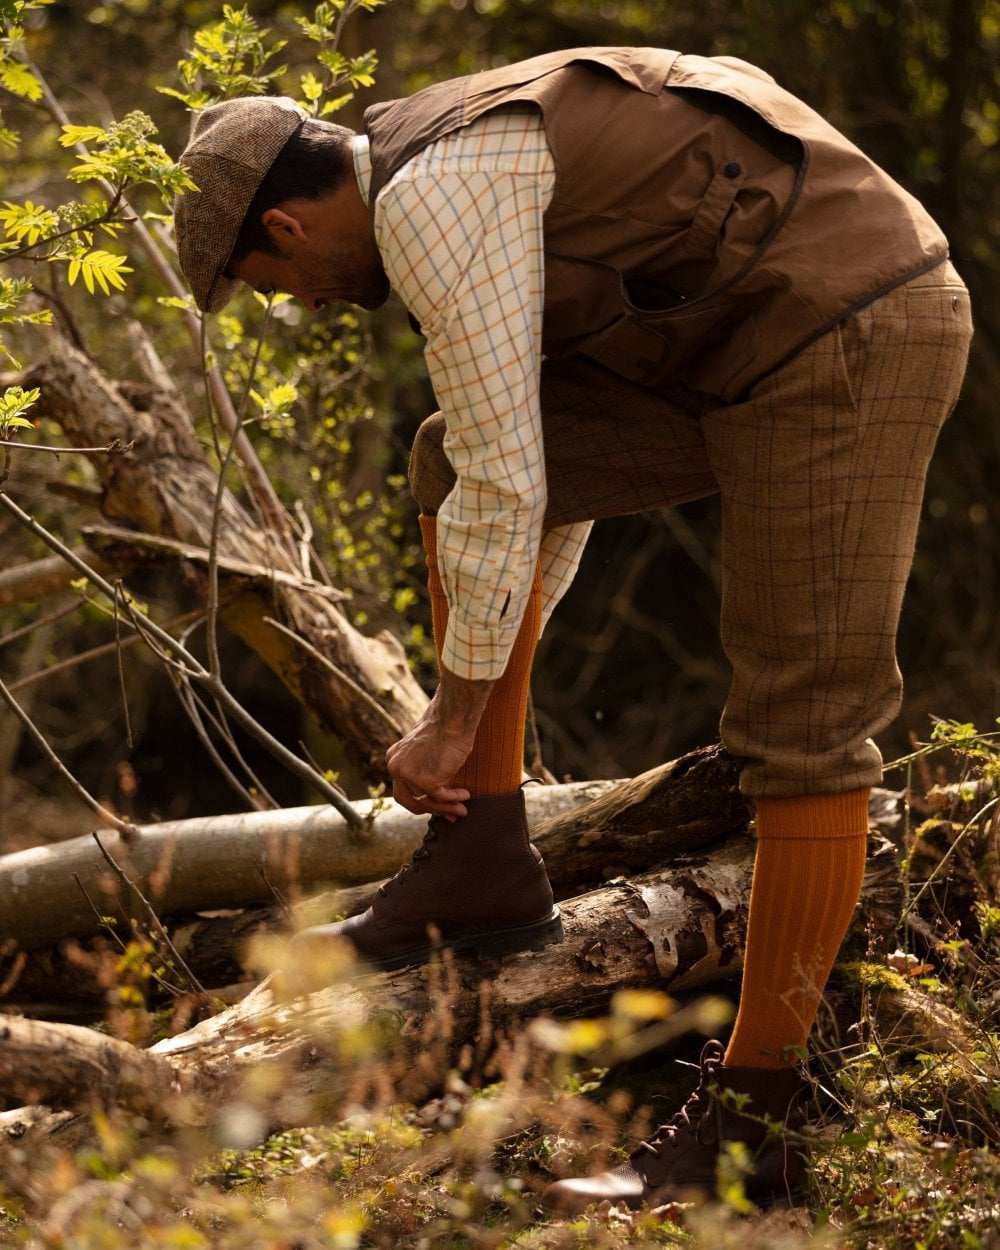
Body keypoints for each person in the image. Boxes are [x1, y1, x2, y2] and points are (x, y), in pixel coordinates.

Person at [172, 46, 974, 1212]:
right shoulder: (446, 166)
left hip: (848, 329)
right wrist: (470, 727)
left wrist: (450, 716)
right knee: (444, 460)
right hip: (742, 347)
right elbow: (523, 475)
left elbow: (513, 482)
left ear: (286, 231)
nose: (289, 304)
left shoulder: (435, 200)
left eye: (264, 282)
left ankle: (754, 1134)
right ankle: (487, 856)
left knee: (801, 724)